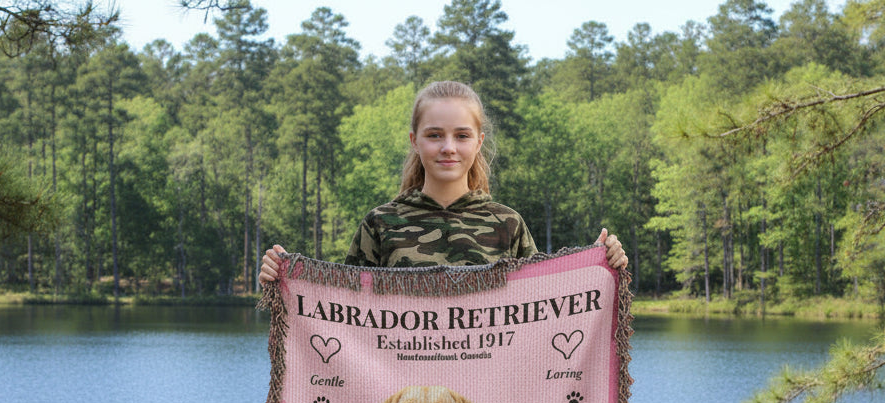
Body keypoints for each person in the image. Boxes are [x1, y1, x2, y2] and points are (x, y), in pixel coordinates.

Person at [258, 80, 628, 282]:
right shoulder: (380, 224)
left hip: (490, 394)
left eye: (461, 136)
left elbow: (545, 307)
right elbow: (341, 310)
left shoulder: (508, 224)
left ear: (479, 142)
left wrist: (597, 268)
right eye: (435, 135)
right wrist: (285, 278)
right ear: (415, 141)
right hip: (407, 397)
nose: (448, 148)